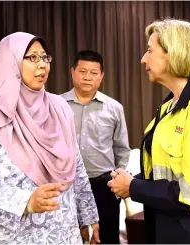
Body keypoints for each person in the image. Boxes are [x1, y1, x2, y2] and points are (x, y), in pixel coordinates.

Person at [108, 19, 190, 244]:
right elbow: (168, 173)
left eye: (150, 50)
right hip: (177, 228)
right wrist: (132, 180)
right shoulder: (172, 105)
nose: (143, 58)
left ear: (174, 53)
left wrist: (133, 187)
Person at [0, 32, 100, 244]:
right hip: (11, 237)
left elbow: (76, 166)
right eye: (32, 58)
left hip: (62, 233)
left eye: (44, 57)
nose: (42, 65)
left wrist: (88, 215)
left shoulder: (59, 108)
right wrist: (26, 201)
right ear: (10, 62)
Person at [61, 50, 131, 244]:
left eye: (93, 72)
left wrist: (117, 178)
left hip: (104, 186)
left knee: (106, 239)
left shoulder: (114, 107)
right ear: (72, 72)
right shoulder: (57, 104)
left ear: (101, 76)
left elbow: (122, 149)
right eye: (82, 71)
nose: (87, 77)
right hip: (68, 185)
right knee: (69, 238)